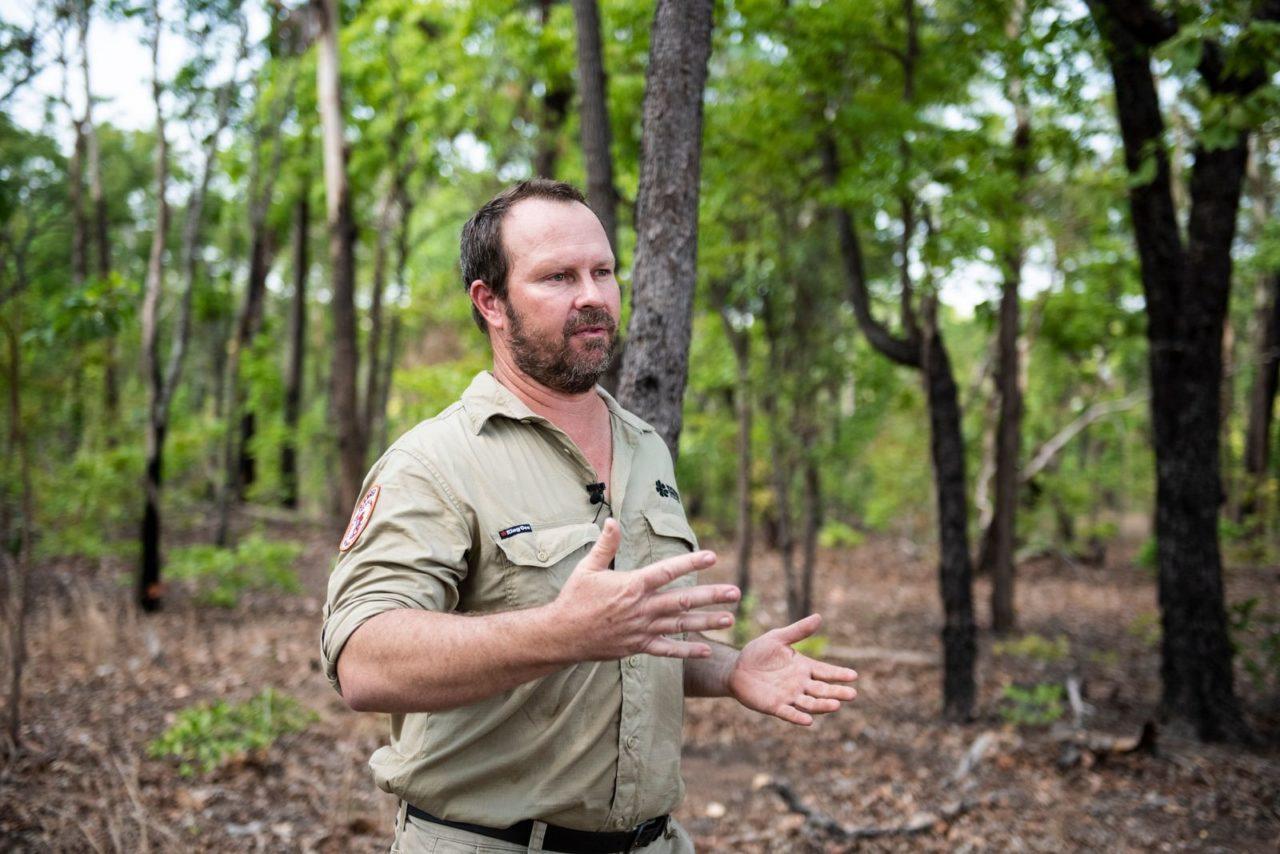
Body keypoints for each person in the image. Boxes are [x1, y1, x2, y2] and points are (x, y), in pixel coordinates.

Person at [321, 179, 858, 853]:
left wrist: (729, 670)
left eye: (603, 271)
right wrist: (559, 632)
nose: (593, 296)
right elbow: (363, 662)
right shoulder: (436, 461)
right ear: (491, 303)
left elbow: (627, 641)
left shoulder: (645, 447)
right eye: (557, 277)